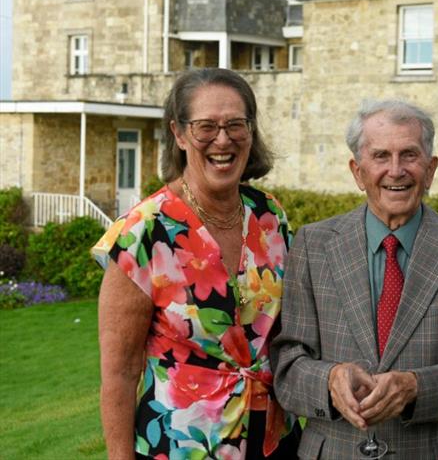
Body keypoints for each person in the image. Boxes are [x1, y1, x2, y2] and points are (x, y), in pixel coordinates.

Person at [272, 100, 438, 459]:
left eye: (409, 155)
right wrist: (329, 380)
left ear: (430, 169)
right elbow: (287, 365)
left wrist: (416, 388)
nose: (396, 170)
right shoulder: (313, 244)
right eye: (381, 156)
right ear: (357, 171)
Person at [92, 68, 301, 460]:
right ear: (179, 133)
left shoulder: (270, 216)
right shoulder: (142, 232)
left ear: (250, 132)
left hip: (274, 441)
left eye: (235, 125)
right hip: (182, 448)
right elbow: (119, 375)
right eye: (206, 126)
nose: (223, 140)